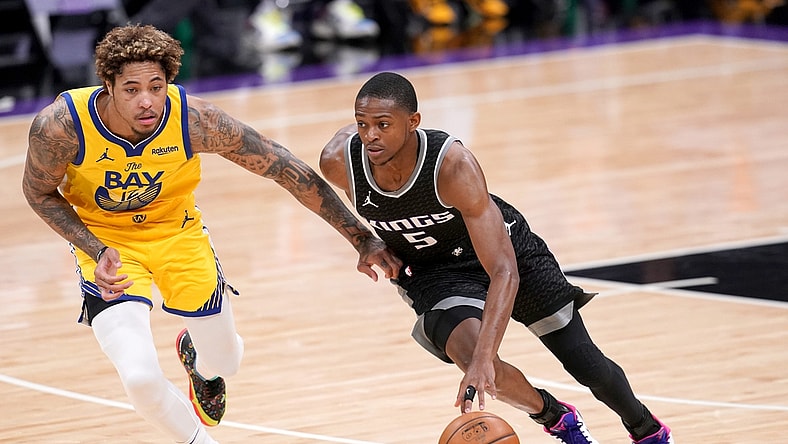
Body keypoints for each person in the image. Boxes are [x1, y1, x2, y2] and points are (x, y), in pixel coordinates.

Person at [21, 24, 400, 444]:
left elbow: (283, 168)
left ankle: (199, 361)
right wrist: (94, 247)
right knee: (141, 378)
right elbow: (38, 193)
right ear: (108, 86)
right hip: (107, 246)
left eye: (156, 86)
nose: (146, 101)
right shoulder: (61, 126)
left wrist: (361, 237)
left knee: (227, 361)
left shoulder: (196, 120)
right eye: (131, 89)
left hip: (179, 235)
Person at [319, 71, 674, 444]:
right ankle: (557, 417)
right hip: (434, 271)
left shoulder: (452, 166)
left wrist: (486, 356)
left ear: (413, 123)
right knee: (473, 360)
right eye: (363, 124)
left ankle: (646, 429)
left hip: (506, 254)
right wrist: (361, 239)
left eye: (383, 125)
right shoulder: (339, 162)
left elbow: (504, 270)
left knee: (586, 365)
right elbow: (312, 193)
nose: (370, 135)